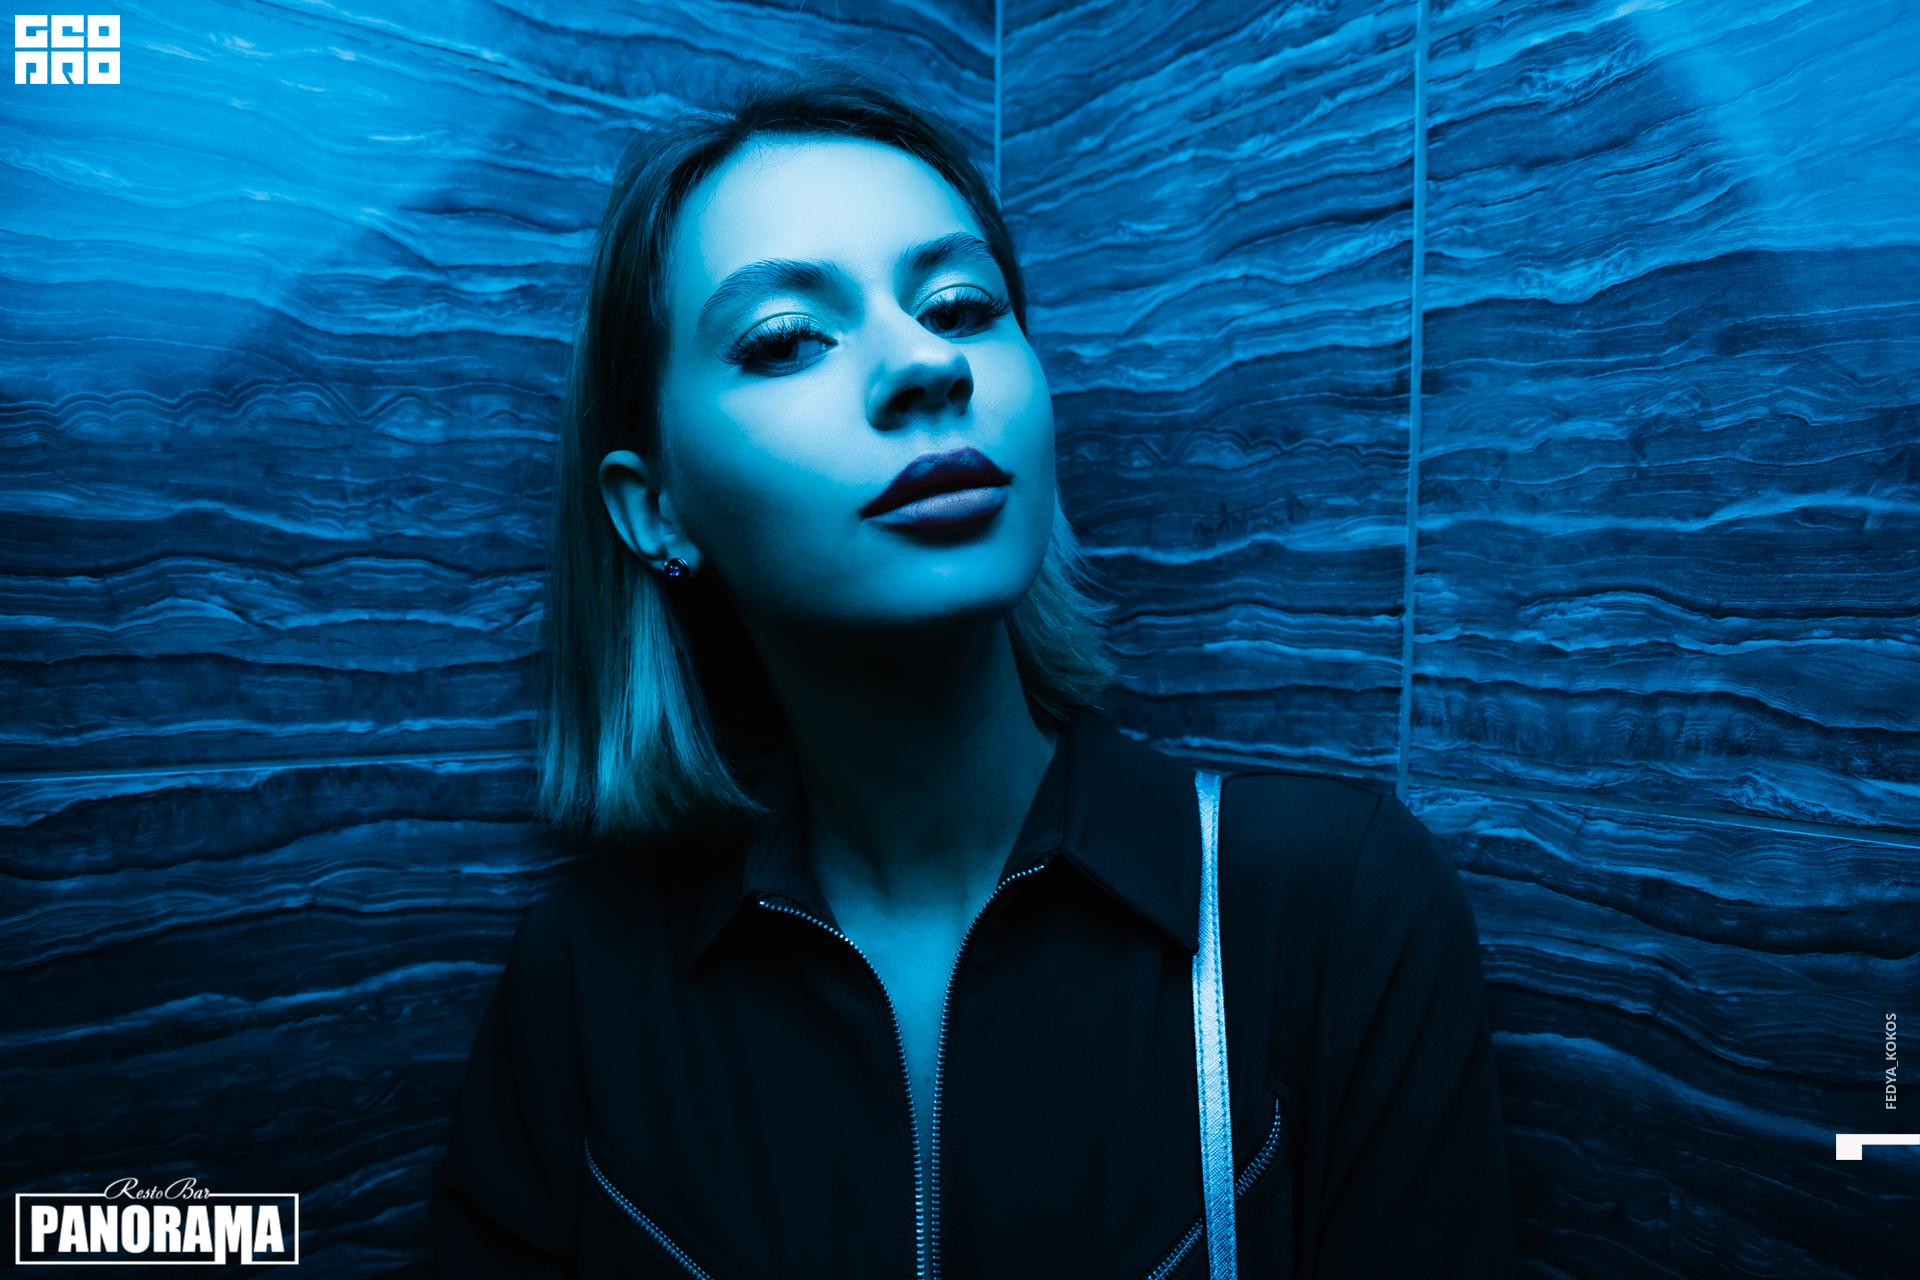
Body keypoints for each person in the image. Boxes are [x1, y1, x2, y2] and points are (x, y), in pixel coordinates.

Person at [431, 70, 1514, 1278]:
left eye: (961, 303)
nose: (925, 363)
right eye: (786, 337)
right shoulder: (583, 981)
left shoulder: (1329, 907)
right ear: (656, 509)